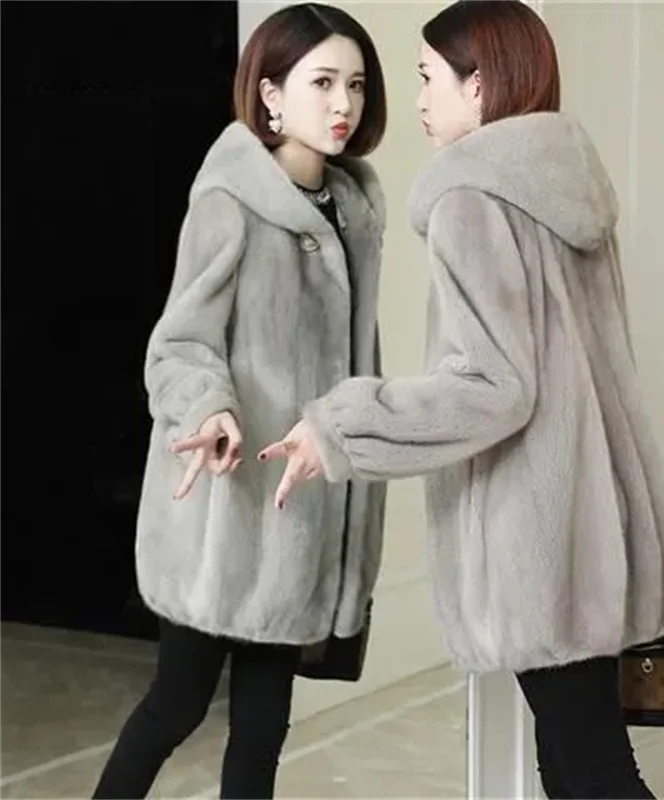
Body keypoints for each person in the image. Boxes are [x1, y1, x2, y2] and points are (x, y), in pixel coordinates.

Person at [258, 2, 664, 798]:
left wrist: (339, 427)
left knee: (592, 772)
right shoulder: (566, 186)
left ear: (479, 85)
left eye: (429, 78)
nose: (419, 99)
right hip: (598, 528)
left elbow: (492, 386)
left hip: (536, 536)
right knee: (577, 765)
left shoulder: (470, 199)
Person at [93, 4, 387, 798]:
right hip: (226, 513)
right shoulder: (231, 199)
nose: (343, 103)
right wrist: (209, 409)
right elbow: (180, 342)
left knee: (263, 730)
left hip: (300, 509)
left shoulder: (354, 210)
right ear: (270, 95)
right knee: (177, 704)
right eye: (321, 82)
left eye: (356, 84)